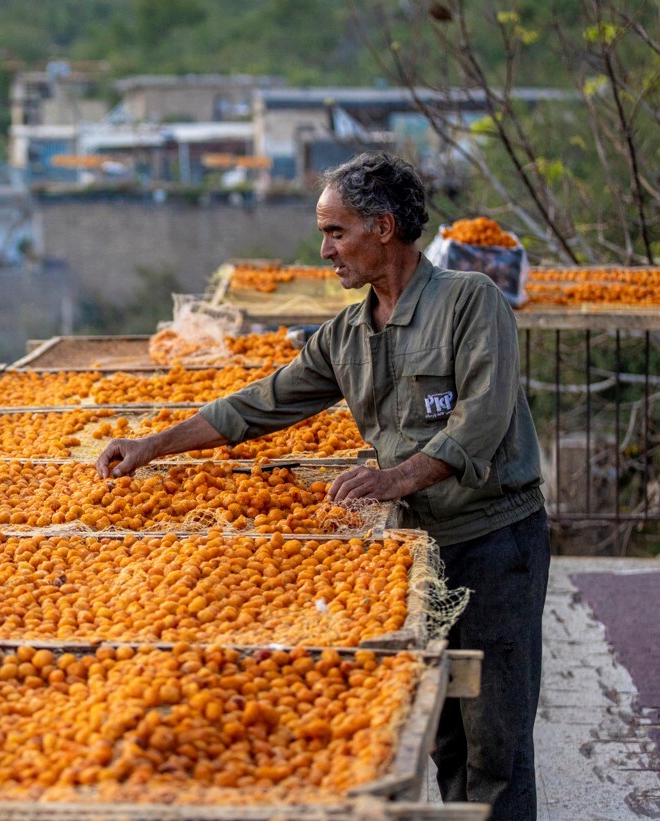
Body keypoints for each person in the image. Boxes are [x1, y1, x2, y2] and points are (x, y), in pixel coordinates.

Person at [96, 151, 550, 820]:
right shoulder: (346, 335)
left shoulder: (469, 302)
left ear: (384, 228)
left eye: (336, 232)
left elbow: (479, 422)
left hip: (493, 541)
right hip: (419, 551)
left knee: (497, 741)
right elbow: (256, 405)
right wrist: (151, 445)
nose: (325, 250)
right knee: (447, 733)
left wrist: (390, 478)